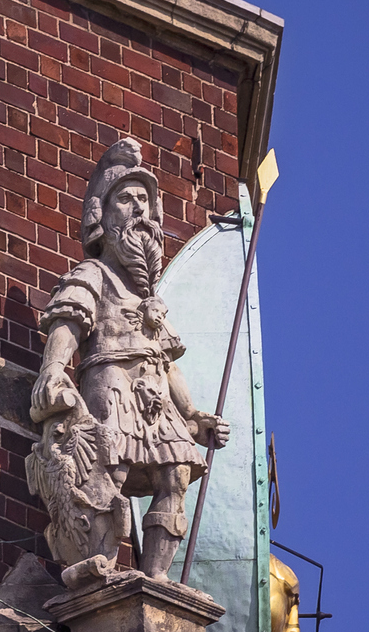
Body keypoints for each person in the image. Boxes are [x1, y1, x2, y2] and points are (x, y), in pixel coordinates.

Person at [26, 139, 229, 588]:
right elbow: (70, 319)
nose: (138, 208)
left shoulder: (149, 296)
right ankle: (98, 565)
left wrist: (193, 414)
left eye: (144, 199)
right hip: (111, 380)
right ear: (104, 213)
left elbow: (168, 361)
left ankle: (156, 579)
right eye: (126, 198)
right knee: (107, 466)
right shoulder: (94, 274)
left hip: (156, 394)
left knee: (174, 472)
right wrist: (54, 366)